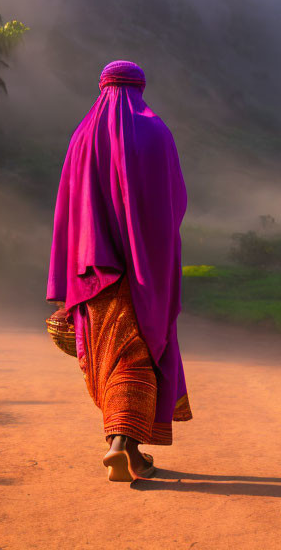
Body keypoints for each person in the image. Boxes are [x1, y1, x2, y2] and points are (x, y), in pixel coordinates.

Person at [46, 60, 192, 482]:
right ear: (141, 88)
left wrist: (67, 277)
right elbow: (174, 201)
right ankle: (123, 444)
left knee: (111, 359)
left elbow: (66, 214)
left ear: (102, 88)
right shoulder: (157, 132)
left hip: (93, 273)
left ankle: (125, 445)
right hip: (143, 271)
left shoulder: (82, 136)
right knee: (140, 354)